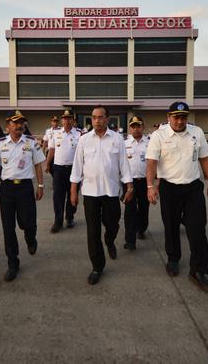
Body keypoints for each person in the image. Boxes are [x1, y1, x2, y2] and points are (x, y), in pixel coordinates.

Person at [146, 101, 208, 293]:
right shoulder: (158, 135)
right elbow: (151, 163)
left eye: (183, 117)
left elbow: (205, 160)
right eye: (176, 117)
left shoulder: (197, 132)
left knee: (198, 227)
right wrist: (150, 186)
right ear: (168, 117)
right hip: (169, 188)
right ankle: (173, 258)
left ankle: (199, 270)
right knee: (171, 226)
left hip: (193, 187)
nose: (179, 120)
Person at [70, 105, 133, 285]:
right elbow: (77, 167)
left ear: (107, 119)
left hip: (111, 192)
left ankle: (110, 240)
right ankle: (97, 266)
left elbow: (123, 164)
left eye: (100, 117)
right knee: (92, 231)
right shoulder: (84, 140)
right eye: (94, 117)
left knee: (112, 224)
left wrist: (129, 187)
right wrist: (73, 191)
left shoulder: (117, 139)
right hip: (90, 193)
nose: (96, 120)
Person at [0, 110, 45, 282]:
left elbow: (38, 165)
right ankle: (13, 263)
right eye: (15, 123)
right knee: (8, 228)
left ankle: (30, 237)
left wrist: (40, 185)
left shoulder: (31, 143)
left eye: (22, 123)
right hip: (6, 189)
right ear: (8, 126)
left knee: (28, 222)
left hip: (25, 188)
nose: (19, 125)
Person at [45, 109, 82, 233]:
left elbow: (82, 153)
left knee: (72, 195)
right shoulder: (56, 134)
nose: (67, 120)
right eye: (65, 118)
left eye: (69, 118)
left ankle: (70, 218)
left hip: (74, 169)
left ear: (73, 120)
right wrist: (47, 163)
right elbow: (52, 150)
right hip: (58, 169)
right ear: (62, 120)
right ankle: (58, 221)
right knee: (58, 196)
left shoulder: (79, 134)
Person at [123, 115, 150, 250]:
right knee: (129, 211)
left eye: (138, 126)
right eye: (133, 127)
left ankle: (142, 229)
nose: (136, 129)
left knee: (144, 208)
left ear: (143, 127)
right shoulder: (124, 143)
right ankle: (130, 239)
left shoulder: (150, 142)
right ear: (130, 128)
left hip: (145, 182)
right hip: (129, 182)